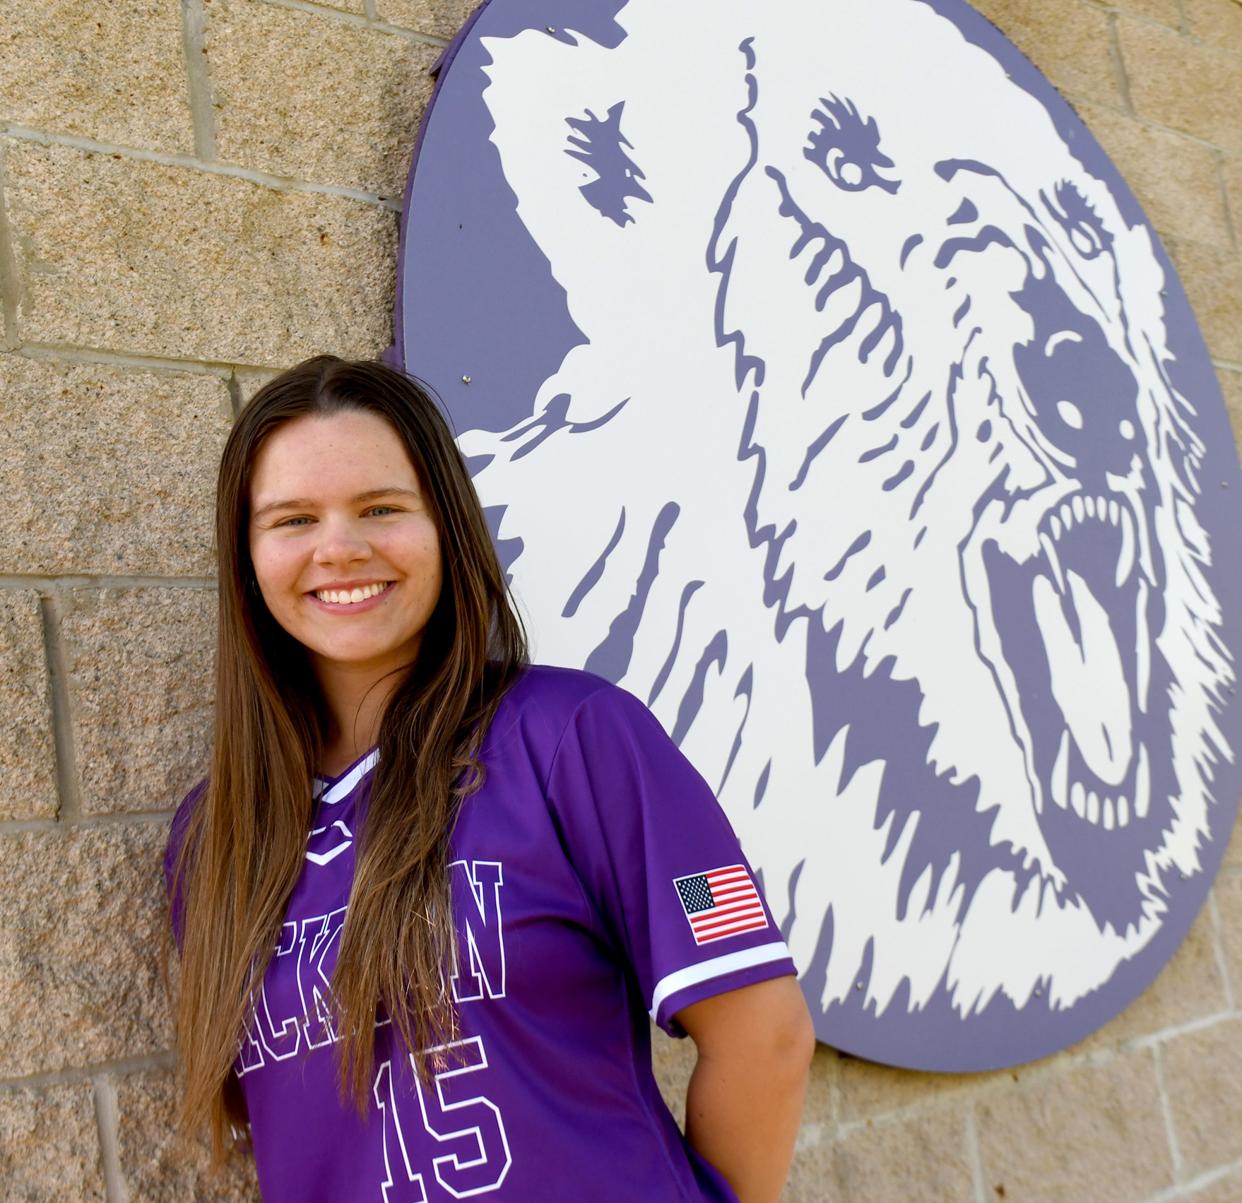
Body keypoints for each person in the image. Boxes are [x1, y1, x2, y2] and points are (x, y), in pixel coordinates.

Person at [164, 354, 814, 1203]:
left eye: (380, 508)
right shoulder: (216, 837)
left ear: (446, 525)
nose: (339, 547)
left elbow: (763, 1034)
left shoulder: (573, 737)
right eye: (292, 519)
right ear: (248, 557)